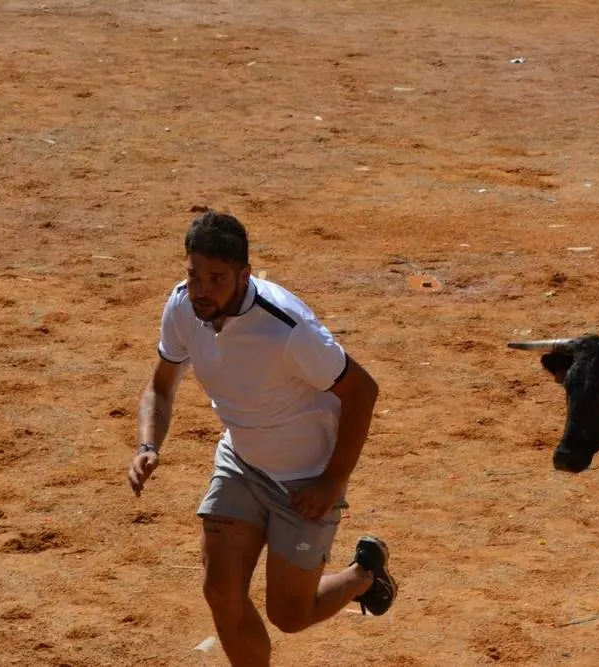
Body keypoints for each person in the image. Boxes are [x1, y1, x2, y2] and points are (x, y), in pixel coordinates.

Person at [127, 209, 397, 666]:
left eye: (216, 279)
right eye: (194, 275)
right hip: (241, 461)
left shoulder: (287, 329)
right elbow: (160, 385)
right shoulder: (180, 307)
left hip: (306, 480)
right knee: (219, 591)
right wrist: (148, 445)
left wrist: (331, 482)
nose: (202, 291)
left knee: (290, 615)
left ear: (244, 275)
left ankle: (363, 577)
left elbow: (362, 392)